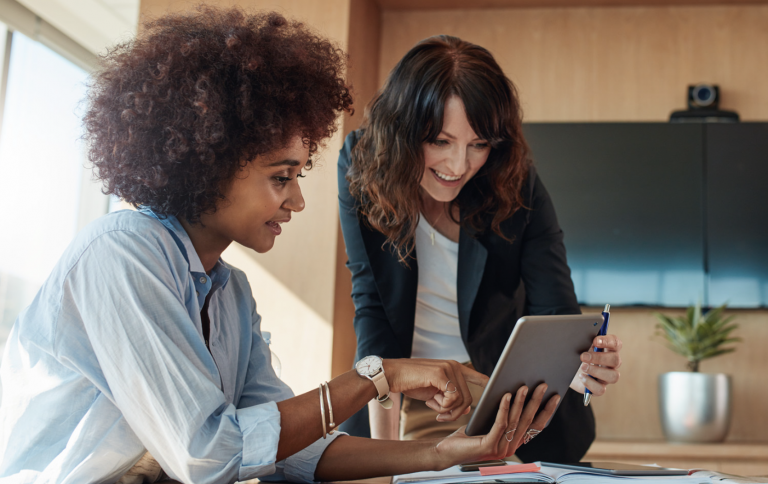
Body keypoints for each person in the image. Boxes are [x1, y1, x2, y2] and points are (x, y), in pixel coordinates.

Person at [0, 10, 558, 484]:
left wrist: (440, 455)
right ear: (209, 164)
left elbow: (291, 450)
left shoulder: (229, 294)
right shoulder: (121, 255)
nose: (298, 201)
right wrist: (376, 374)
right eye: (280, 177)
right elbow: (209, 453)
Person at [337, 35, 623, 462]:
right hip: (403, 399)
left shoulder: (514, 178)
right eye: (439, 141)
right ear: (401, 131)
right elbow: (372, 307)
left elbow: (555, 311)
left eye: (478, 144)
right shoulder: (364, 165)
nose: (458, 166)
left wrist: (581, 366)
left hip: (506, 404)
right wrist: (384, 456)